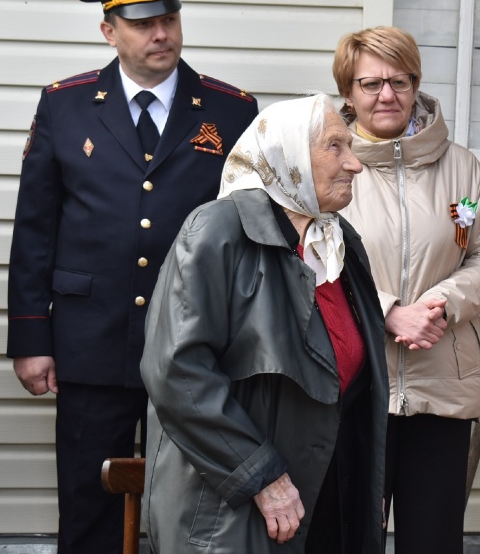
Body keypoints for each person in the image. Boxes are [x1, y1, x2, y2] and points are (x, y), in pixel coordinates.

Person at [6, 0, 258, 553]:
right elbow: (35, 229)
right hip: (90, 340)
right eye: (143, 22)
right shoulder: (64, 106)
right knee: (90, 502)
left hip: (198, 344)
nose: (161, 33)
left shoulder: (230, 110)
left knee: (196, 505)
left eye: (169, 17)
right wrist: (32, 340)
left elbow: (248, 235)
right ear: (108, 30)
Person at [140, 93, 388, 553]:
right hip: (235, 507)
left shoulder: (337, 242)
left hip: (324, 495)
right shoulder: (218, 231)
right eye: (335, 146)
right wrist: (260, 475)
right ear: (288, 153)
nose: (354, 164)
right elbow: (177, 371)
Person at [333, 26, 480, 554]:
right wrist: (388, 312)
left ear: (416, 85)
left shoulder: (460, 169)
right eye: (370, 84)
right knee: (350, 538)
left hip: (442, 389)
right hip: (356, 389)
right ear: (348, 92)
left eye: (399, 81)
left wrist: (442, 303)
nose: (386, 95)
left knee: (433, 542)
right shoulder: (330, 165)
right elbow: (314, 261)